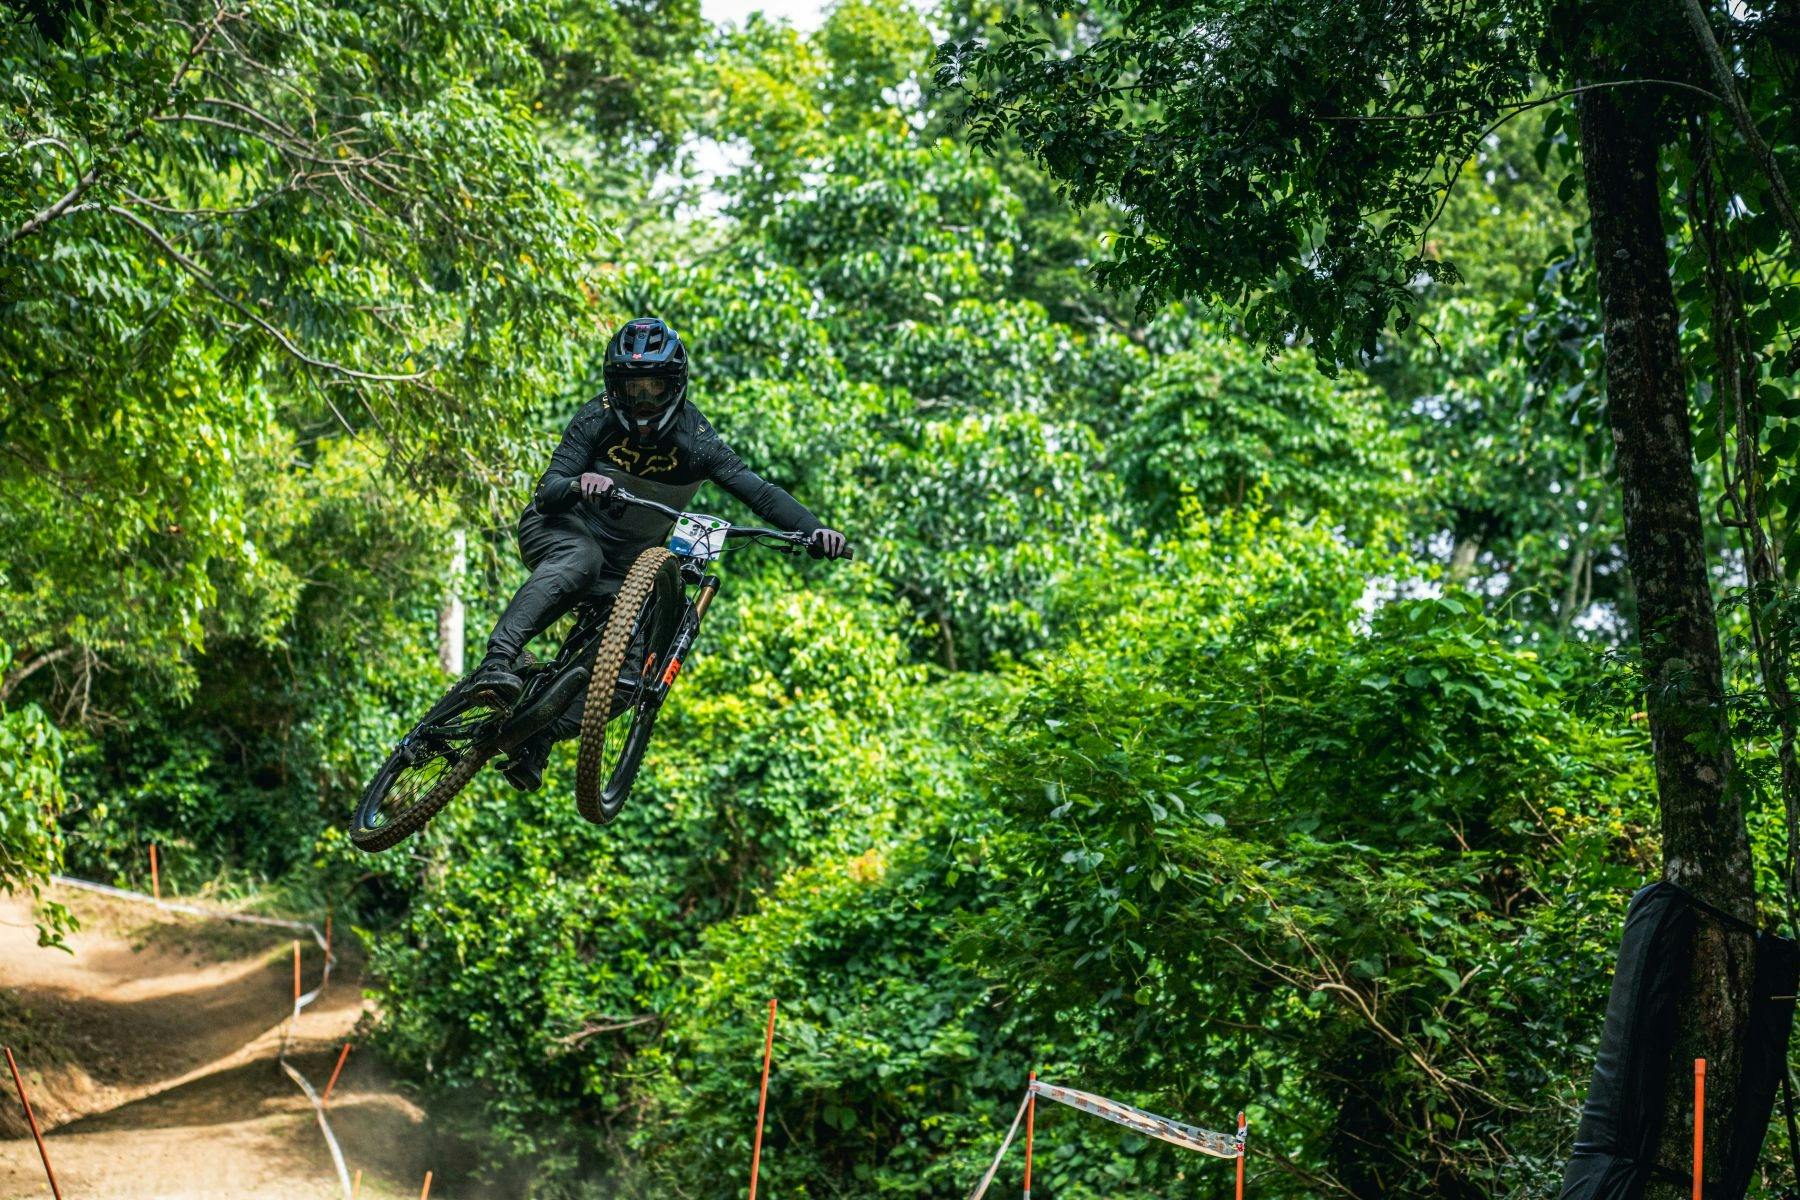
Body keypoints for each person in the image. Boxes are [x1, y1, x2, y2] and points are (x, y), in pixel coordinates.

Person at [464, 316, 849, 791]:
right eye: (632, 388)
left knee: (626, 681)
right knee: (580, 560)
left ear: (677, 385)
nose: (643, 400)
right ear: (613, 387)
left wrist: (815, 531)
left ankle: (537, 735)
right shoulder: (595, 417)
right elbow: (547, 492)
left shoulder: (698, 440)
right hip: (561, 528)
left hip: (627, 565)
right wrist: (581, 484)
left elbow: (762, 494)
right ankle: (497, 663)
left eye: (655, 387)